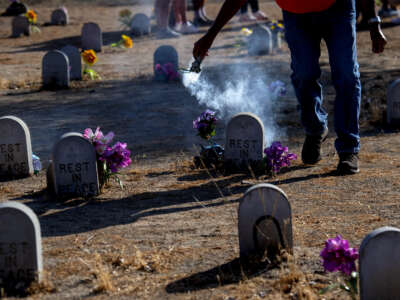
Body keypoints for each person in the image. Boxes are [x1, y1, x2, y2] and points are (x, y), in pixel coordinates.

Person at [193, 0, 387, 175]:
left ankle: (348, 148)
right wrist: (210, 35)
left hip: (338, 8)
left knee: (346, 75)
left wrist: (373, 22)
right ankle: (315, 128)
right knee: (304, 74)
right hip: (295, 14)